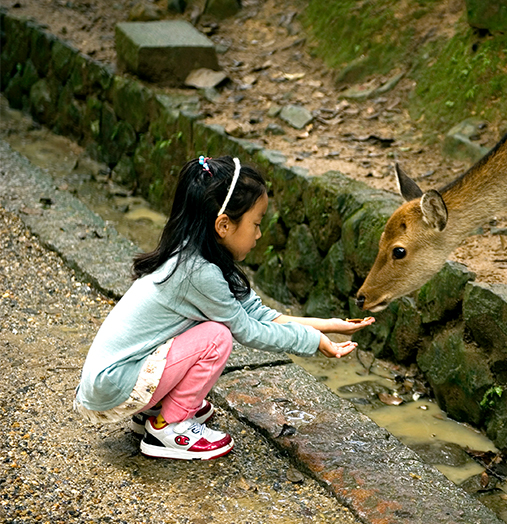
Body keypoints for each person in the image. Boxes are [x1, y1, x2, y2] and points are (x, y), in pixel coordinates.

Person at [74, 155, 374, 460]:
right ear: (224, 224)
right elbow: (248, 330)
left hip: (112, 378)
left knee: (209, 329)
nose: (259, 234)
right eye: (256, 224)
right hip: (113, 386)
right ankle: (168, 426)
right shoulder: (198, 273)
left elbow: (259, 314)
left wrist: (328, 325)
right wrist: (313, 342)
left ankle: (159, 407)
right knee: (217, 336)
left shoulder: (197, 254)